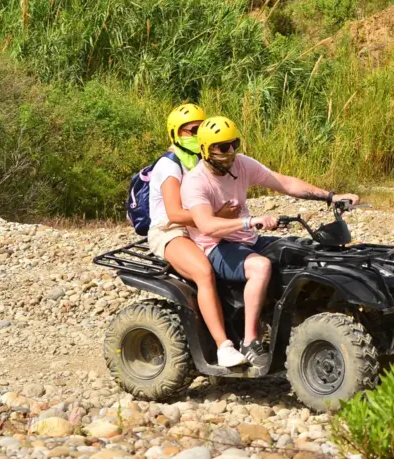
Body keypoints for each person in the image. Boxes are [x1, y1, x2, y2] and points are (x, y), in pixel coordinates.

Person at [181, 116, 359, 368]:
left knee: (301, 253)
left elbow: (284, 182)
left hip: (247, 239)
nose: (230, 151)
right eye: (222, 147)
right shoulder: (195, 182)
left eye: (234, 143)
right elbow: (207, 226)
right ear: (206, 149)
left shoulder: (241, 165)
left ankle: (303, 319)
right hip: (216, 246)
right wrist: (249, 221)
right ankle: (250, 341)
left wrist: (330, 197)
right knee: (260, 267)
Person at [147, 104, 247, 367]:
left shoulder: (203, 161)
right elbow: (175, 213)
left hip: (203, 226)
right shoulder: (169, 165)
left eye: (200, 128)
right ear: (176, 134)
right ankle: (223, 346)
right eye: (191, 129)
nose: (197, 133)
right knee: (203, 271)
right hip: (171, 230)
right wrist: (217, 216)